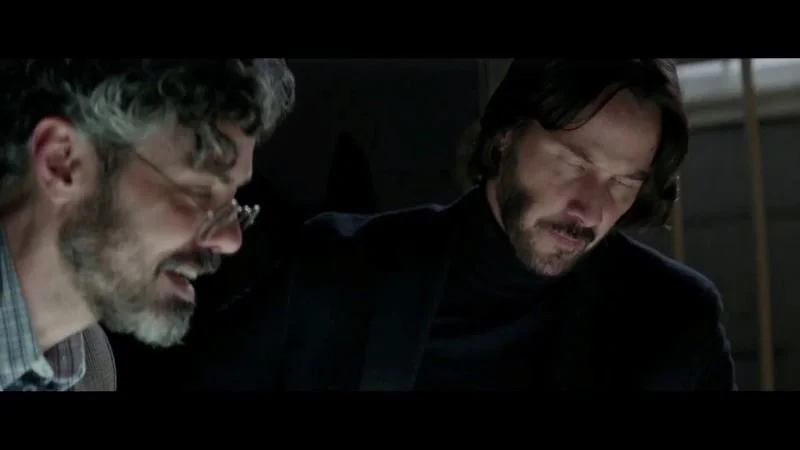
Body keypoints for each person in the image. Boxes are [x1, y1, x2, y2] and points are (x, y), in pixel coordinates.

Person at [181, 59, 736, 391]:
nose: (590, 210)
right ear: (505, 137)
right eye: (574, 163)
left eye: (623, 182)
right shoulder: (339, 275)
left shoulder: (674, 322)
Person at [0, 59, 295, 391]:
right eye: (200, 191)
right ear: (62, 162)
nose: (231, 240)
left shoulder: (91, 372)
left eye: (234, 202)